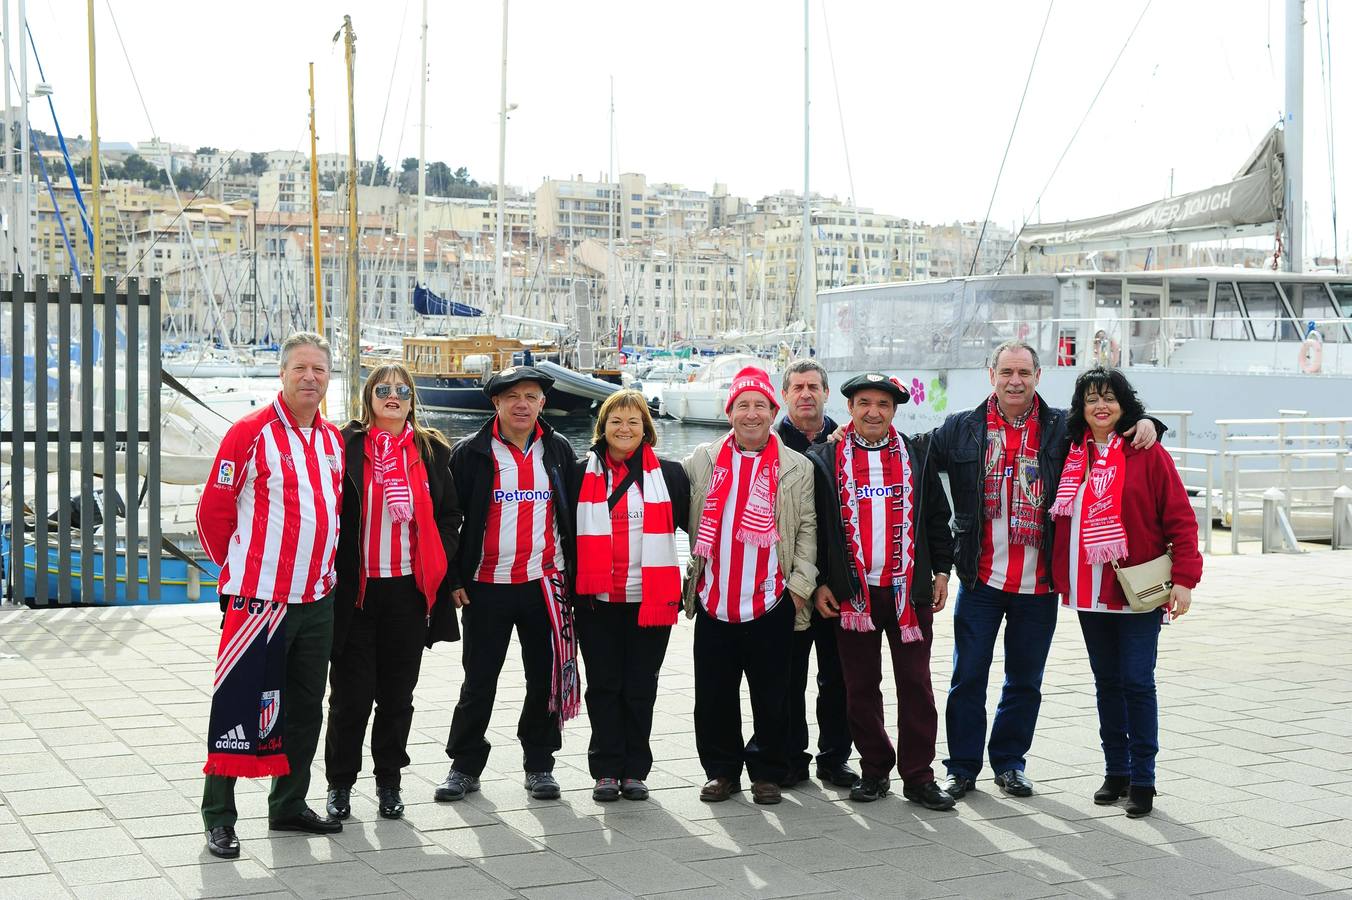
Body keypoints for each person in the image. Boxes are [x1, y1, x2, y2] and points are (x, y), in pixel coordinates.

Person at [928, 340, 1160, 801]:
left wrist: (1150, 422)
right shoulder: (962, 429)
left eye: (1024, 373)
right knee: (967, 677)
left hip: (1039, 584)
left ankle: (1010, 763)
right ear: (989, 374)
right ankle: (962, 767)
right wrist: (837, 437)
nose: (1015, 381)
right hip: (980, 578)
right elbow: (910, 456)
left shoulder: (1060, 428)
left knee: (1024, 680)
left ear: (1038, 377)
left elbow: (1110, 426)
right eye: (1006, 372)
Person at [196, 332, 346, 859]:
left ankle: (289, 804)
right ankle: (219, 817)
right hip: (259, 602)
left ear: (329, 379)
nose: (310, 377)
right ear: (282, 374)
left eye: (320, 370)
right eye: (301, 368)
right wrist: (239, 570)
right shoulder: (249, 433)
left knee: (306, 709)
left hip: (317, 600)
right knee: (238, 706)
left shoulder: (331, 440)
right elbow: (212, 512)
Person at [1049, 367, 1201, 818]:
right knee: (1106, 683)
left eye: (1110, 398)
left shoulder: (1147, 452)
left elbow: (1180, 518)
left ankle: (1143, 779)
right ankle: (1115, 770)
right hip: (1087, 589)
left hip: (1136, 591)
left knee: (1136, 681)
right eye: (1092, 398)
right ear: (1081, 407)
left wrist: (1186, 580)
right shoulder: (1069, 450)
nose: (1101, 406)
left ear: (1124, 405)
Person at [808, 374, 956, 808]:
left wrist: (943, 572)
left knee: (916, 685)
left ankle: (919, 776)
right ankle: (874, 769)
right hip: (854, 594)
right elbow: (813, 528)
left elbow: (936, 519)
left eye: (883, 405)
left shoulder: (917, 455)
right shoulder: (825, 458)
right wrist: (819, 583)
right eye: (865, 402)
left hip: (909, 593)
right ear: (850, 407)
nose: (874, 411)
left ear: (894, 411)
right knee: (860, 688)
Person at [323, 364, 462, 822]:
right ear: (369, 397)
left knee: (397, 697)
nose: (393, 396)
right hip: (356, 595)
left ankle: (389, 783)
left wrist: (440, 554)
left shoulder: (432, 449)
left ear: (411, 399)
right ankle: (340, 785)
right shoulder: (345, 444)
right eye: (383, 389)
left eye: (402, 390)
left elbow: (449, 513)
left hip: (408, 592)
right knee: (350, 698)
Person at [435, 366, 579, 802]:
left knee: (544, 679)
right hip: (487, 585)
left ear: (542, 403)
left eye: (531, 396)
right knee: (479, 680)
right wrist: (454, 578)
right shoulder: (470, 453)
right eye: (512, 396)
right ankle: (464, 766)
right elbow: (452, 520)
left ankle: (539, 764)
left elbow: (573, 516)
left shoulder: (557, 450)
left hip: (544, 585)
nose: (522, 403)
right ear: (495, 403)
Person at [682, 366, 817, 806]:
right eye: (743, 405)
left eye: (760, 405)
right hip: (715, 598)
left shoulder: (797, 466)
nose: (752, 414)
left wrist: (797, 588)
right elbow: (662, 487)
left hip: (771, 599)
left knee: (772, 696)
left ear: (773, 410)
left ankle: (766, 771)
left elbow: (808, 531)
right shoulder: (703, 459)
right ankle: (721, 771)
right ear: (730, 413)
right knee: (714, 696)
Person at [571, 389, 690, 802]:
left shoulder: (671, 476)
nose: (624, 429)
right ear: (602, 427)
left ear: (646, 430)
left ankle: (635, 770)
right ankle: (606, 769)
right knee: (603, 685)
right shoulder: (578, 473)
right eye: (616, 421)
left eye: (633, 422)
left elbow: (703, 526)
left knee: (641, 686)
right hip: (597, 601)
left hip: (651, 600)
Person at [775, 360, 856, 789]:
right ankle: (790, 756)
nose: (806, 394)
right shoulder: (769, 443)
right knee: (788, 676)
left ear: (827, 393)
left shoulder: (849, 440)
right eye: (797, 387)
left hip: (839, 580)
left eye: (813, 387)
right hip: (788, 581)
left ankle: (834, 757)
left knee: (837, 677)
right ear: (785, 395)